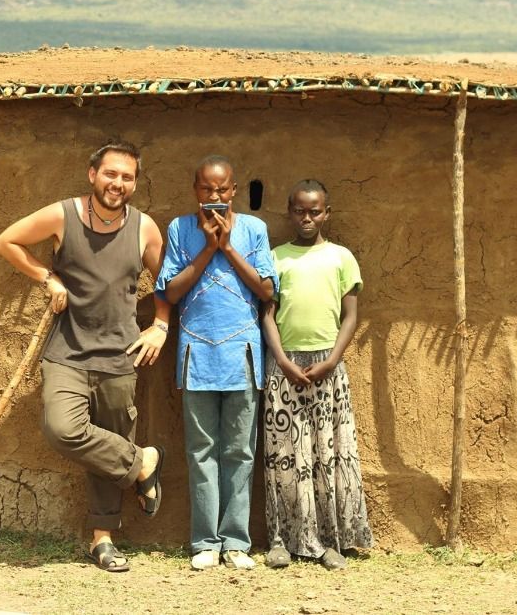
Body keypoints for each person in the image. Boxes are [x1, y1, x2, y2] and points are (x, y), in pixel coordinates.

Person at [0, 141, 171, 573]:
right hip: (67, 352)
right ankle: (141, 461)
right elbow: (7, 241)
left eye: (127, 177)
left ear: (134, 182)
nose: (118, 183)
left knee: (103, 449)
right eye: (111, 174)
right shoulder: (63, 215)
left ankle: (102, 540)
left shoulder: (144, 227)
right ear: (93, 174)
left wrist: (161, 325)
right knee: (62, 428)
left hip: (120, 355)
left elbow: (166, 281)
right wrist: (46, 278)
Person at [156, 155, 276, 571]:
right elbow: (170, 293)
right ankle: (205, 541)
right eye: (207, 189)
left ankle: (236, 542)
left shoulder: (255, 230)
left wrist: (227, 246)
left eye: (222, 189)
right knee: (200, 450)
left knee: (240, 451)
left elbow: (265, 291)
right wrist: (209, 248)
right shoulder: (179, 229)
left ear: (235, 189)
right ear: (195, 190)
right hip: (196, 356)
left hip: (242, 354)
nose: (215, 197)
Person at [260, 179, 373, 570]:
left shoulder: (342, 257)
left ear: (327, 213)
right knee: (283, 455)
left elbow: (351, 316)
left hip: (329, 366)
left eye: (315, 211)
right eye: (299, 211)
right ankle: (281, 539)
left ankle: (329, 540)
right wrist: (283, 361)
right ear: (289, 212)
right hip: (284, 365)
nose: (307, 219)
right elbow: (267, 316)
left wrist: (331, 361)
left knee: (328, 453)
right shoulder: (275, 258)